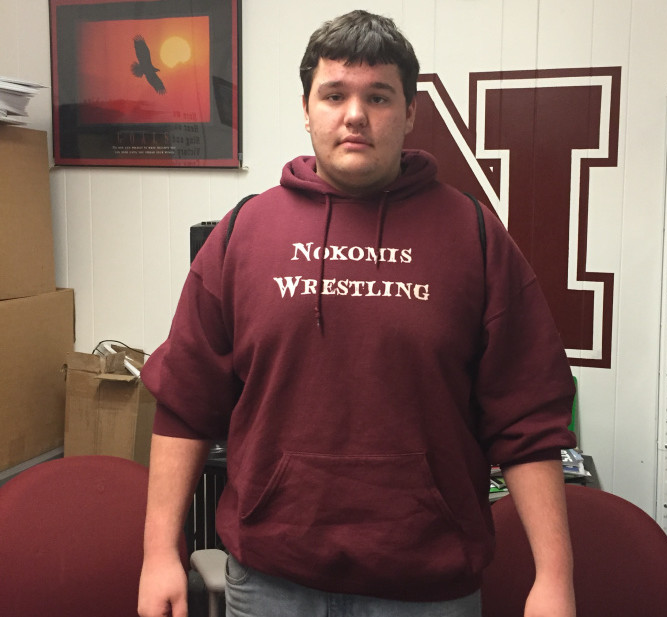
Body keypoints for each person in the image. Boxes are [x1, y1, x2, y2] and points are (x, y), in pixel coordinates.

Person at [137, 10, 576, 617]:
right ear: (307, 106)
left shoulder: (473, 236)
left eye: (378, 96)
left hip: (427, 588)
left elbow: (529, 415)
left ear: (410, 112)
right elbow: (186, 400)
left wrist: (554, 577)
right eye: (334, 94)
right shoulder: (245, 233)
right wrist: (160, 552)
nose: (355, 115)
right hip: (270, 583)